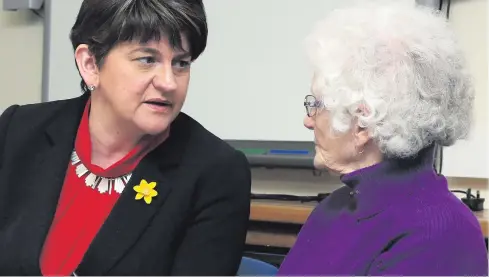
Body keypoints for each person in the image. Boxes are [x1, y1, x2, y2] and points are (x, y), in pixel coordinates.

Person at [0, 0, 251, 275]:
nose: (169, 82)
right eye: (147, 59)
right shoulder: (19, 130)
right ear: (91, 64)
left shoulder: (216, 174)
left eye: (181, 63)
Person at [278, 2, 488, 276]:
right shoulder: (334, 208)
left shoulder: (440, 237)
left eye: (316, 105)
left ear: (363, 124)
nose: (308, 120)